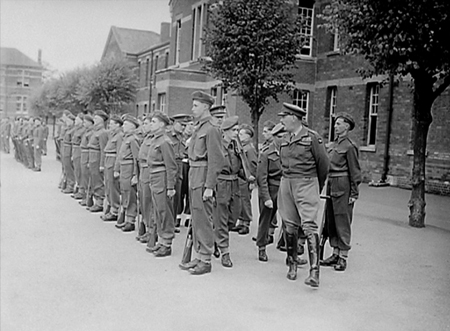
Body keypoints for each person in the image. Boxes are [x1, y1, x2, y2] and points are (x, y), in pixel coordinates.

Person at [278, 102, 329, 288]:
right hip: (287, 184)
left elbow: (323, 165)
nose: (281, 120)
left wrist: (316, 186)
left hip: (306, 182)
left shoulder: (312, 138)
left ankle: (314, 272)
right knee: (289, 225)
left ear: (294, 117)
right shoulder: (284, 138)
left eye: (284, 117)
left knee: (308, 226)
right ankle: (292, 264)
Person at [179, 91, 224, 275]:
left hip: (203, 174)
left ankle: (205, 260)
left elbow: (216, 159)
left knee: (204, 219)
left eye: (196, 105)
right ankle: (199, 255)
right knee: (196, 217)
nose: (192, 108)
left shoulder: (211, 128)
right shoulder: (199, 127)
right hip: (194, 171)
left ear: (206, 106)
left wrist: (210, 186)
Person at [321, 112, 361, 271]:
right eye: (335, 123)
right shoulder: (333, 145)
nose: (335, 126)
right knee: (331, 220)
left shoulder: (350, 146)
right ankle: (335, 253)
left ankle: (343, 256)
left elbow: (355, 172)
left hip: (343, 184)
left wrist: (353, 193)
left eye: (339, 124)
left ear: (347, 126)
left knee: (342, 220)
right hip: (332, 183)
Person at [145, 112, 178, 257]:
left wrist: (171, 186)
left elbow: (171, 166)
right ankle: (161, 240)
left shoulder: (165, 141)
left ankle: (167, 243)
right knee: (158, 210)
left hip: (162, 177)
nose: (151, 124)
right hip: (154, 175)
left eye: (154, 121)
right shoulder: (155, 140)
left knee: (165, 210)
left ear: (161, 125)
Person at [213, 115, 244, 268]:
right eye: (234, 130)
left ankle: (215, 238)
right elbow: (212, 167)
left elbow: (243, 166)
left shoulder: (236, 147)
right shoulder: (217, 147)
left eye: (238, 130)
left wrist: (251, 177)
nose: (236, 133)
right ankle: (225, 252)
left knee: (233, 218)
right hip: (222, 184)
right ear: (224, 131)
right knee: (222, 219)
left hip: (235, 185)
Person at [255, 123, 285, 262]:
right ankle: (262, 247)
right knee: (266, 220)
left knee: (291, 220)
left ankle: (292, 252)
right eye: (279, 136)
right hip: (271, 189)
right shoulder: (266, 153)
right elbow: (261, 177)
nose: (282, 139)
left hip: (285, 189)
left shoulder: (289, 152)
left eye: (285, 136)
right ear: (274, 137)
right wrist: (266, 197)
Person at [114, 114, 140, 231]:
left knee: (130, 195)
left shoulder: (133, 140)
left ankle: (130, 220)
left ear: (132, 127)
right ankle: (125, 216)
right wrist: (117, 169)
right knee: (124, 192)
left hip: (130, 168)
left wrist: (135, 175)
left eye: (125, 124)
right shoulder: (126, 139)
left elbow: (136, 158)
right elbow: (120, 156)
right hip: (124, 167)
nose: (123, 126)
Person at [231, 124, 257, 235]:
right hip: (240, 177)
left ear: (248, 136)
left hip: (245, 178)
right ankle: (241, 221)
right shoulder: (241, 147)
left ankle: (246, 223)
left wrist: (252, 180)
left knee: (245, 201)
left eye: (242, 134)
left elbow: (253, 165)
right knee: (240, 200)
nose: (239, 135)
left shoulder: (249, 149)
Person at [168, 114, 192, 232]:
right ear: (173, 124)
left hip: (181, 166)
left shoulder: (184, 138)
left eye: (185, 125)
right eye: (181, 125)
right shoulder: (167, 136)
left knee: (178, 195)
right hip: (169, 166)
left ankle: (173, 222)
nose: (183, 127)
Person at [136, 114, 154, 245]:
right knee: (143, 200)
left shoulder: (155, 139)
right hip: (142, 170)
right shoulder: (146, 138)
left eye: (147, 123)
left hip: (149, 171)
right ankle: (147, 227)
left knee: (149, 202)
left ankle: (152, 230)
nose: (144, 126)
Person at [102, 115, 123, 221]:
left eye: (112, 123)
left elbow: (119, 152)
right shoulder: (112, 134)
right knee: (108, 185)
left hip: (113, 160)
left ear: (118, 125)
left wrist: (116, 168)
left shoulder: (119, 136)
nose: (109, 125)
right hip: (108, 160)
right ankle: (110, 207)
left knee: (113, 186)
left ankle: (115, 210)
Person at [87, 110, 109, 213]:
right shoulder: (95, 132)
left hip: (97, 157)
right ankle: (96, 199)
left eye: (96, 118)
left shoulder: (103, 133)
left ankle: (100, 201)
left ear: (101, 120)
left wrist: (101, 164)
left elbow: (103, 149)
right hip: (92, 156)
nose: (94, 120)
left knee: (98, 180)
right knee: (93, 179)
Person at [78, 115, 94, 206]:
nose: (84, 123)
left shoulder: (91, 132)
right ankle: (85, 195)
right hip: (83, 153)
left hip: (88, 154)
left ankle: (88, 197)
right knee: (83, 175)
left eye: (85, 122)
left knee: (87, 177)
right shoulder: (86, 131)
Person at [71, 113, 87, 197]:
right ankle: (78, 186)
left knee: (80, 170)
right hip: (75, 149)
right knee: (76, 169)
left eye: (77, 120)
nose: (75, 121)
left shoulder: (83, 130)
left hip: (79, 150)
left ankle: (82, 189)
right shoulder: (76, 129)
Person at [61, 114, 76, 193]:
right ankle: (67, 183)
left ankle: (71, 185)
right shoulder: (68, 129)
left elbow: (73, 143)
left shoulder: (73, 130)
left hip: (69, 149)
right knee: (66, 167)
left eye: (69, 121)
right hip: (65, 148)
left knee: (69, 168)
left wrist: (72, 154)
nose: (67, 122)